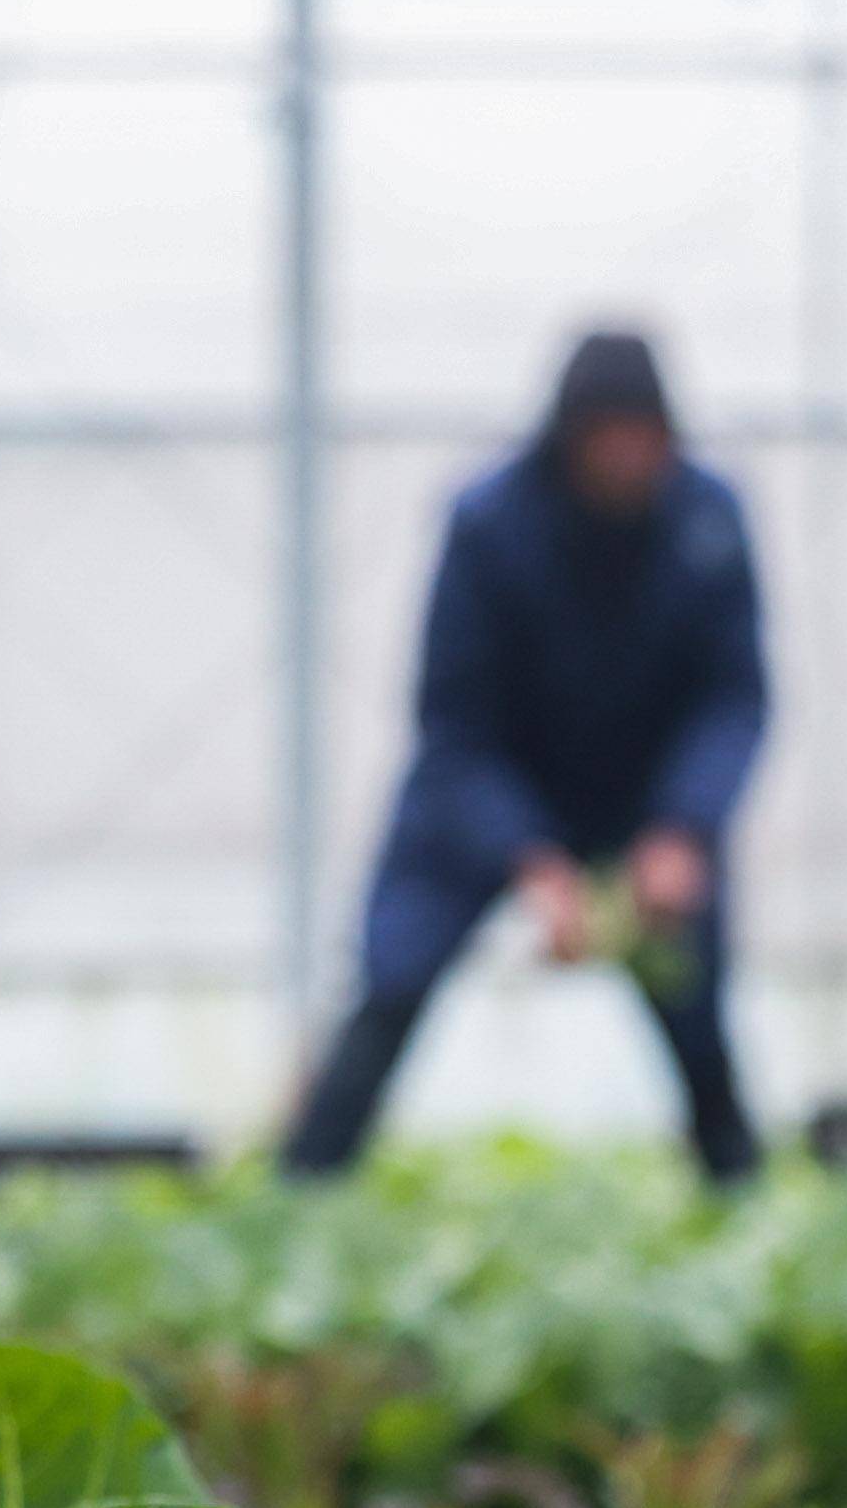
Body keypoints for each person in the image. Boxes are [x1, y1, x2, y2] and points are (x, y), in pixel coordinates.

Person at [280, 330, 769, 1182]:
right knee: (390, 986)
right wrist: (531, 860)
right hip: (488, 797)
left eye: (642, 436)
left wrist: (683, 828)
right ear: (566, 438)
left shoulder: (709, 520)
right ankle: (300, 1194)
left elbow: (735, 696)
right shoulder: (489, 523)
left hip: (644, 804)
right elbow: (453, 726)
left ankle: (743, 1201)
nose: (625, 457)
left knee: (695, 1011)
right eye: (605, 436)